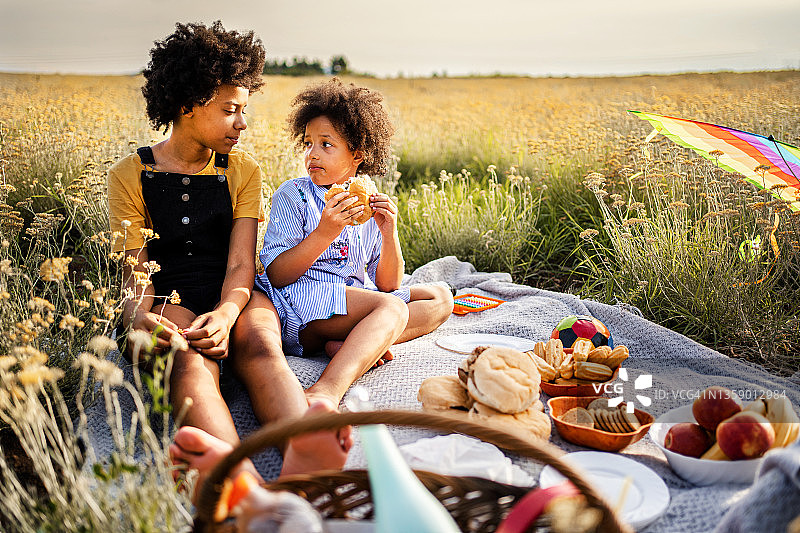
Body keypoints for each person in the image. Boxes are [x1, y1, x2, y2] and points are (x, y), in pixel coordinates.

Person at [107, 22, 343, 493]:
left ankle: (306, 450)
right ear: (186, 106)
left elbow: (241, 265)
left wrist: (227, 311)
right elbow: (138, 278)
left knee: (260, 344)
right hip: (168, 296)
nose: (243, 123)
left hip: (235, 292)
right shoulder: (129, 174)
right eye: (231, 110)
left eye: (245, 110)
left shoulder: (243, 171)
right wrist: (140, 320)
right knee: (191, 360)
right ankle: (238, 481)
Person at [251, 78, 454, 412]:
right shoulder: (294, 195)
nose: (311, 154)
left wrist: (390, 234)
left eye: (326, 145)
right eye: (308, 143)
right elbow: (278, 274)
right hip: (301, 302)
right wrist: (325, 232)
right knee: (390, 309)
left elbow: (388, 283)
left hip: (352, 300)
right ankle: (327, 389)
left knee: (441, 297)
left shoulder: (367, 202)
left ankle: (354, 343)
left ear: (357, 154)